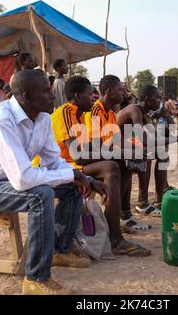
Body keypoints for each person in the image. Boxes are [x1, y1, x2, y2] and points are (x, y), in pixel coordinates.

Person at [0, 70, 105, 295]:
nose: (53, 95)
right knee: (40, 194)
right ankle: (35, 277)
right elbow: (23, 179)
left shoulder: (42, 117)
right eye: (46, 91)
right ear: (25, 96)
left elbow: (54, 161)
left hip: (8, 183)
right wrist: (71, 174)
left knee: (73, 186)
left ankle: (58, 250)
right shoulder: (3, 118)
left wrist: (83, 177)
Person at [51, 75, 151, 257]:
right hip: (57, 168)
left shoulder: (80, 115)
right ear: (77, 96)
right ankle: (114, 238)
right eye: (90, 94)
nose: (94, 98)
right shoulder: (66, 112)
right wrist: (121, 152)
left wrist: (128, 150)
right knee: (111, 167)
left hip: (71, 165)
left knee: (123, 162)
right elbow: (78, 155)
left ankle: (115, 220)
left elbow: (94, 148)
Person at [132, 86, 178, 218]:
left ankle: (159, 200)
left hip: (127, 148)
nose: (160, 101)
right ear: (147, 99)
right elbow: (145, 140)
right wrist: (177, 138)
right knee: (148, 152)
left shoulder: (143, 112)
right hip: (119, 150)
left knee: (162, 153)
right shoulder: (135, 110)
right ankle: (142, 203)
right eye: (157, 98)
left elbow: (153, 136)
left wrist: (176, 137)